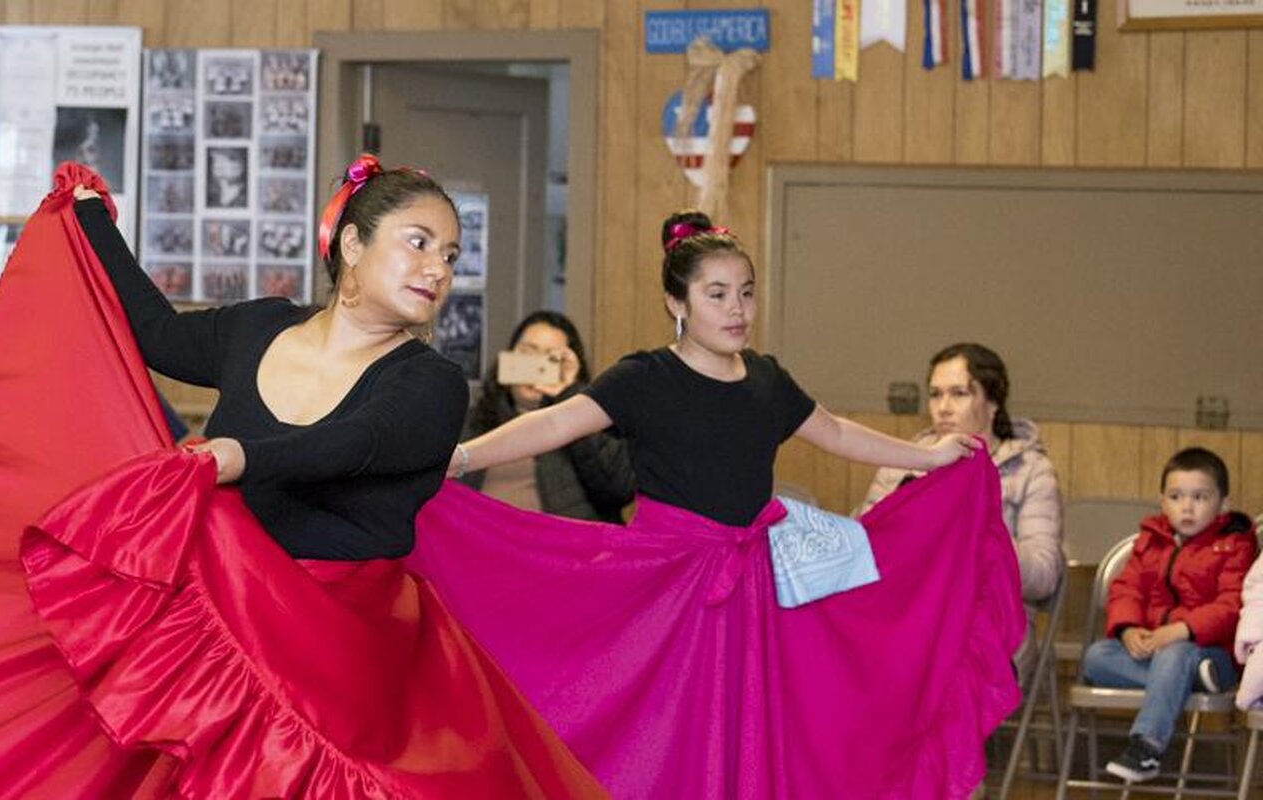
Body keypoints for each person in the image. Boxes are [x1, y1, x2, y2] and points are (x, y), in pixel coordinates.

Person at [0, 160, 604, 797]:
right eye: (418, 242)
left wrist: (233, 458)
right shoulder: (261, 326)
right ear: (352, 245)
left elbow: (351, 446)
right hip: (222, 604)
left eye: (450, 253)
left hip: (340, 639)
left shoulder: (429, 383)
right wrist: (90, 217)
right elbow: (152, 332)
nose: (438, 267)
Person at [404, 209, 1025, 798]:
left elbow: (835, 433)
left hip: (752, 585)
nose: (737, 310)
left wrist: (928, 457)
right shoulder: (646, 377)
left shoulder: (766, 379)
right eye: (717, 294)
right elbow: (556, 423)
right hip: (667, 588)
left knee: (757, 727)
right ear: (677, 303)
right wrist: (462, 457)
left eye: (746, 293)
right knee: (659, 734)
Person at [859, 342, 1063, 680]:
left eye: (958, 394)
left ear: (993, 402)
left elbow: (1043, 576)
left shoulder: (1030, 470)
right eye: (935, 395)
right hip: (904, 611)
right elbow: (861, 551)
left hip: (994, 621)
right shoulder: (901, 462)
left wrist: (978, 530)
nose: (943, 408)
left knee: (934, 673)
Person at [1084, 447, 1255, 783]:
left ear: (1223, 504)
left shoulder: (1234, 544)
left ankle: (1146, 748)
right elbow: (1126, 589)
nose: (1187, 507)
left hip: (1212, 654)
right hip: (1158, 648)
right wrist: (1128, 630)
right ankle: (1187, 679)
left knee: (1176, 656)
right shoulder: (1151, 541)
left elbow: (1232, 605)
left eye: (1200, 497)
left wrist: (1182, 630)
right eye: (1176, 497)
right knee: (1096, 657)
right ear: (1162, 502)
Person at [461, 310, 633, 523]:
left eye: (551, 358)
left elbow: (618, 489)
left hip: (564, 543)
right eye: (527, 352)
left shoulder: (595, 423)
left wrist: (571, 398)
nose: (536, 366)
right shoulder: (469, 423)